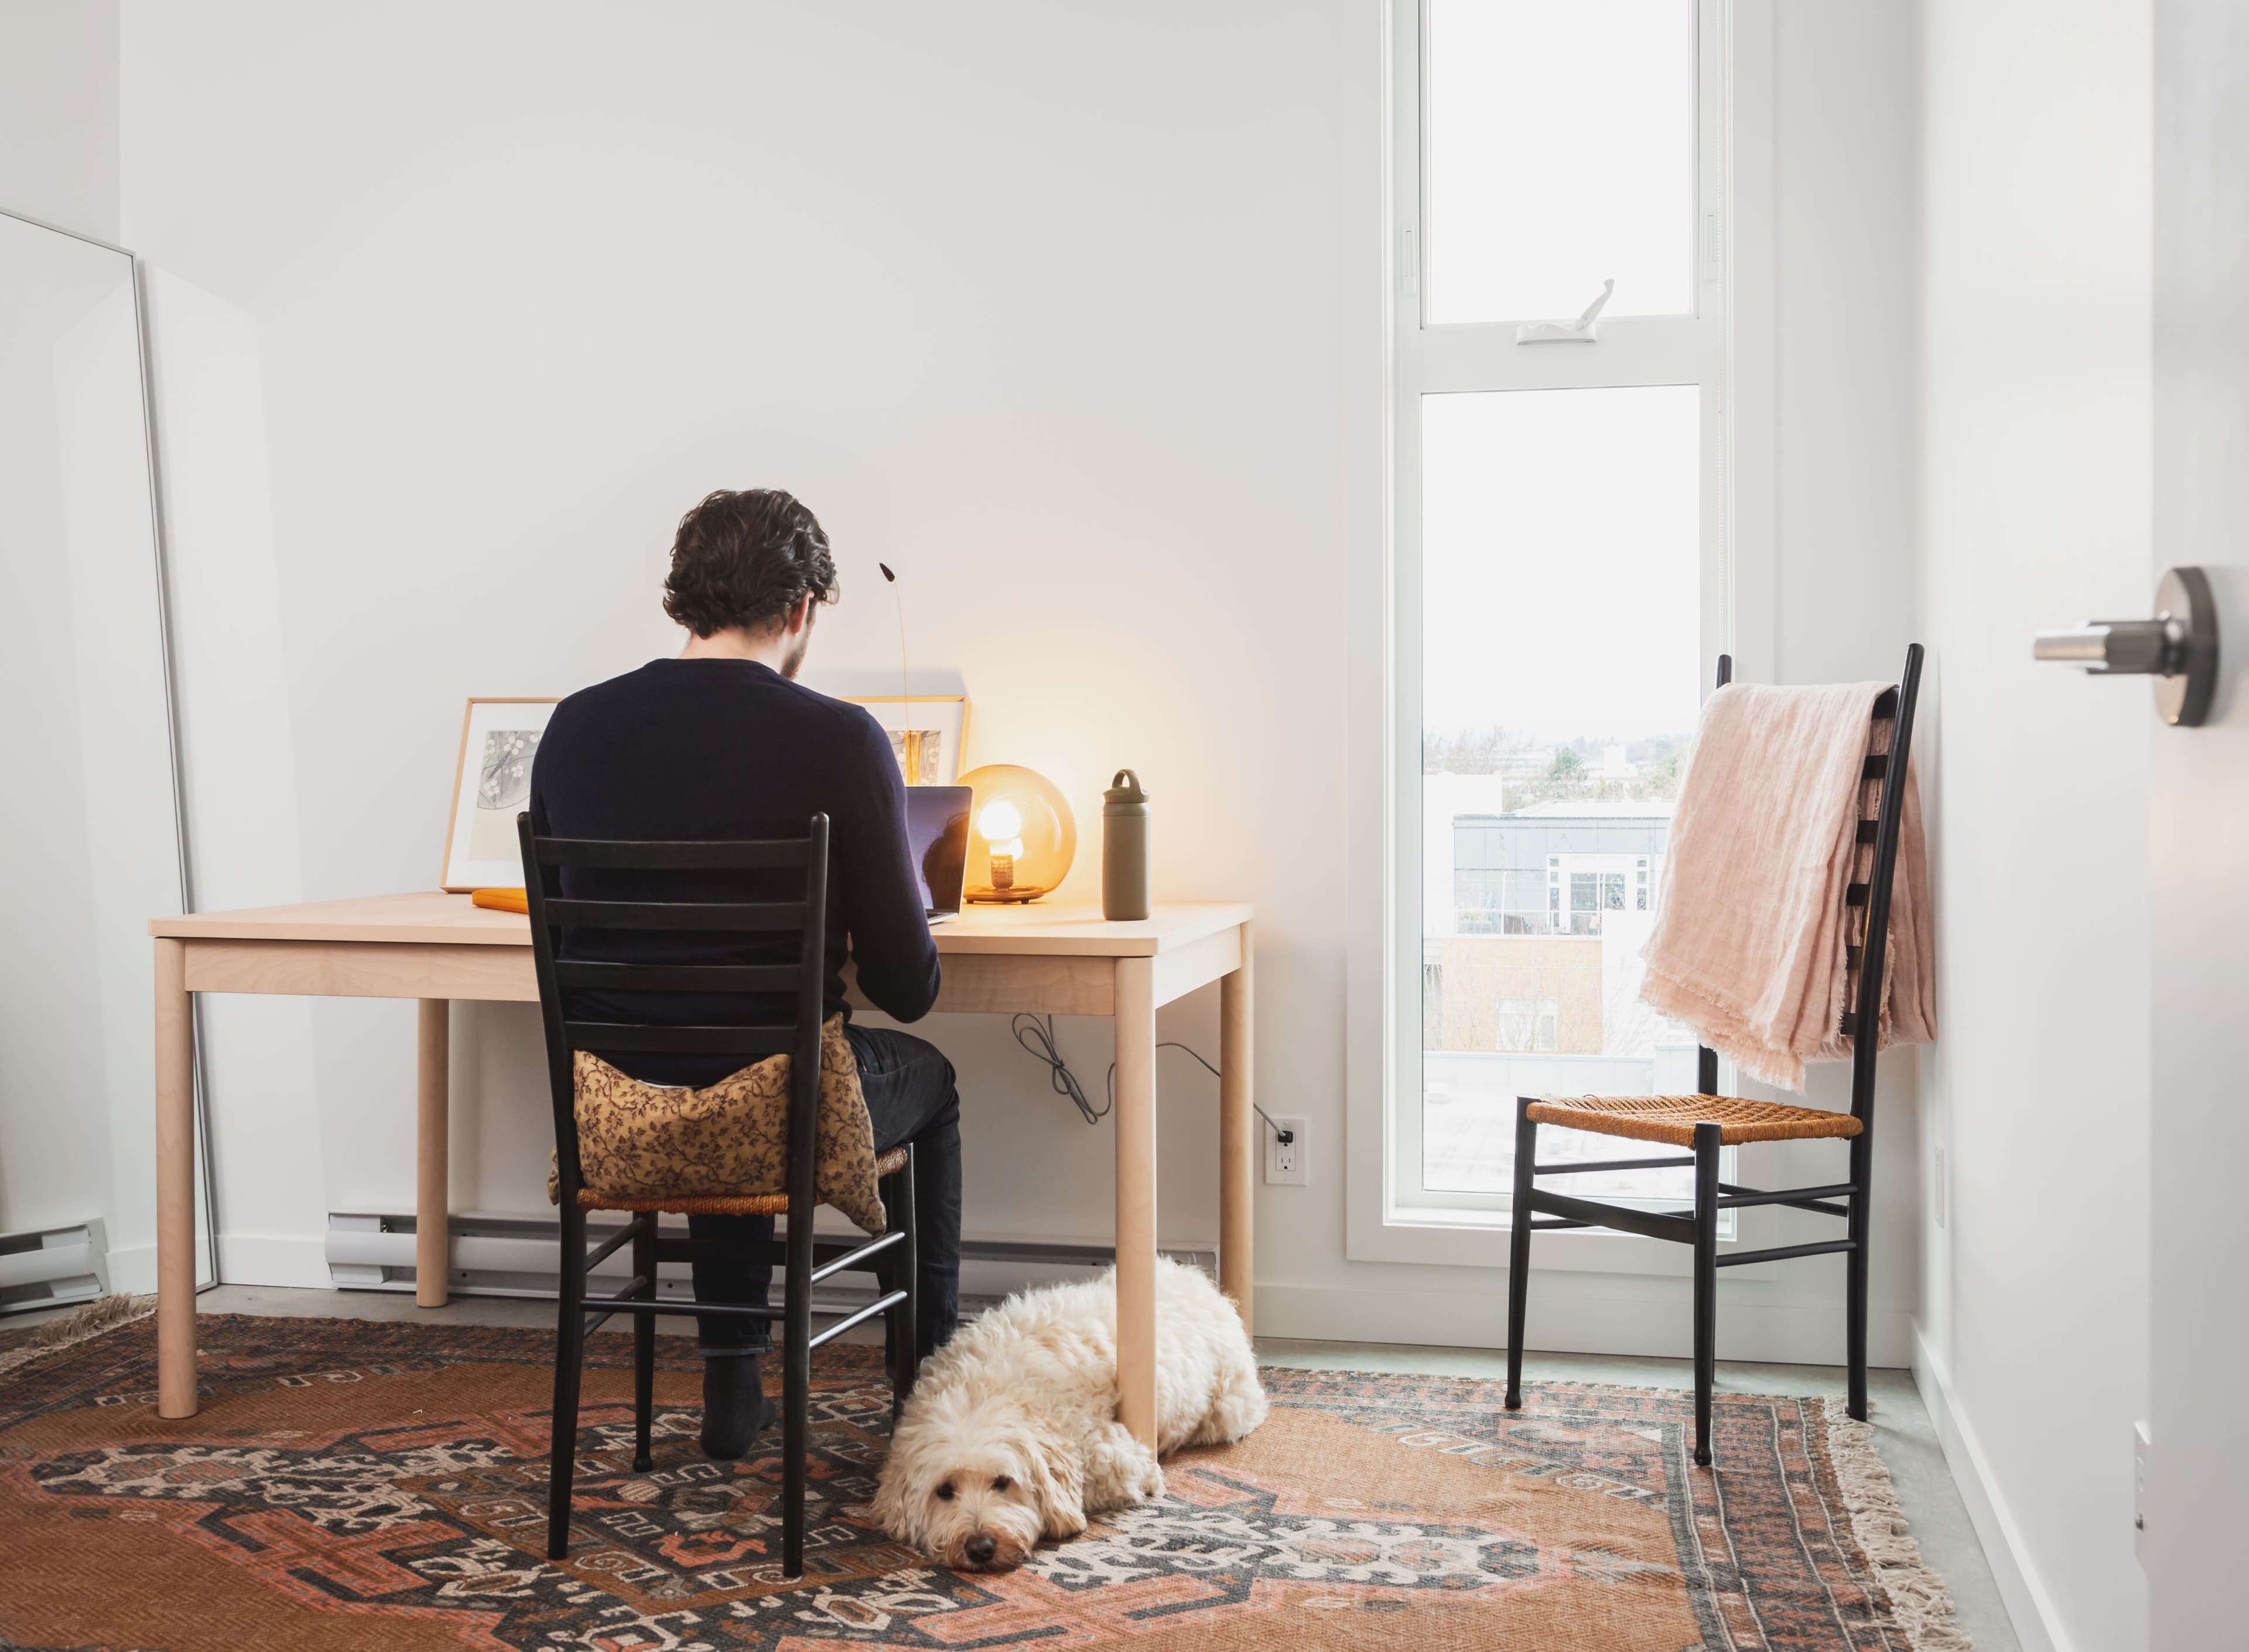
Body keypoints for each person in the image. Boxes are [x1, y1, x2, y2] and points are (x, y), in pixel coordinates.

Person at [528, 488, 961, 1461]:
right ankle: (937, 1392)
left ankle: (734, 1384)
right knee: (926, 1078)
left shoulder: (573, 729)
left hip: (619, 1107)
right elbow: (910, 986)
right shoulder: (842, 738)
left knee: (712, 1052)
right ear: (803, 607)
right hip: (776, 1106)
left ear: (685, 598)